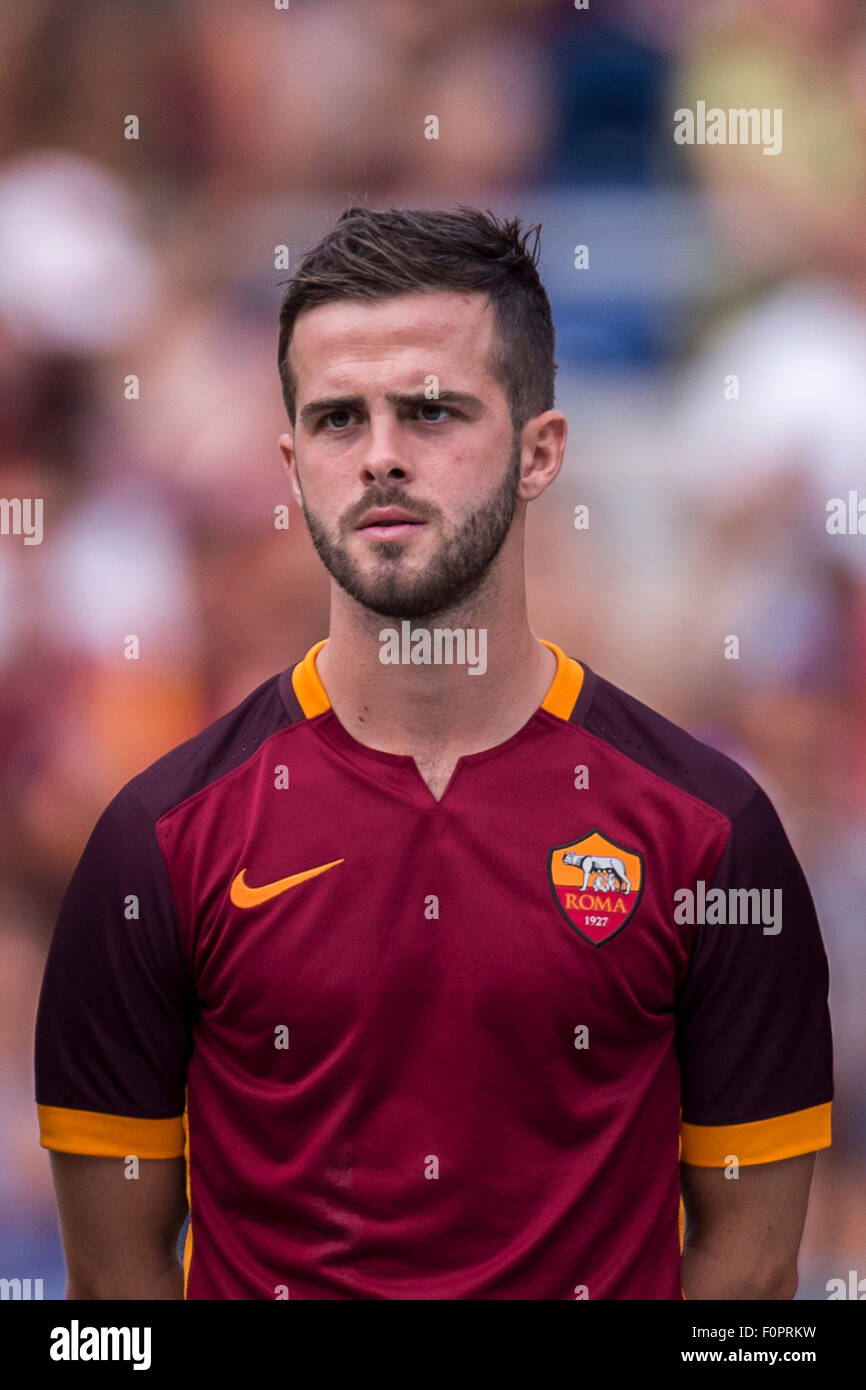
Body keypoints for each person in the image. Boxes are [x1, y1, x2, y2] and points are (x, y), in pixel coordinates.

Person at [34, 206, 833, 1300]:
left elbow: (750, 1269)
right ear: (290, 459)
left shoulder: (709, 836)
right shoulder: (155, 843)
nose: (379, 458)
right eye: (334, 420)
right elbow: (110, 1291)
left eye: (430, 411)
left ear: (539, 450)